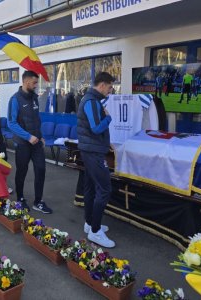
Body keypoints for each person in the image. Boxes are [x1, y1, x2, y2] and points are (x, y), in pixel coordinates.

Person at [77, 71, 115, 248]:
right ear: (101, 85)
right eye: (109, 87)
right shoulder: (91, 102)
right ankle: (95, 231)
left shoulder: (91, 100)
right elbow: (96, 128)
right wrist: (108, 118)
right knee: (105, 188)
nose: (110, 90)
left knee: (91, 187)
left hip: (90, 150)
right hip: (92, 151)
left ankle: (89, 223)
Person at [8, 71, 53, 214]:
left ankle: (38, 202)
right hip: (23, 143)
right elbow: (11, 123)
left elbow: (36, 119)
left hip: (37, 142)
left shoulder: (34, 98)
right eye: (34, 83)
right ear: (26, 82)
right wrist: (28, 137)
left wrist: (41, 136)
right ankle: (20, 198)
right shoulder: (15, 99)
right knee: (22, 171)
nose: (36, 85)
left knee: (41, 169)